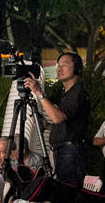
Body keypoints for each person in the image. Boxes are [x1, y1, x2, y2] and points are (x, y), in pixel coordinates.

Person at [24, 52, 90, 185]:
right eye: (58, 66)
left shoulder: (77, 92)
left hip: (70, 152)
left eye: (64, 65)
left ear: (77, 68)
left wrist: (39, 93)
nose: (59, 69)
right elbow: (66, 124)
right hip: (62, 151)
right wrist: (46, 125)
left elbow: (58, 118)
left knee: (68, 191)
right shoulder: (67, 93)